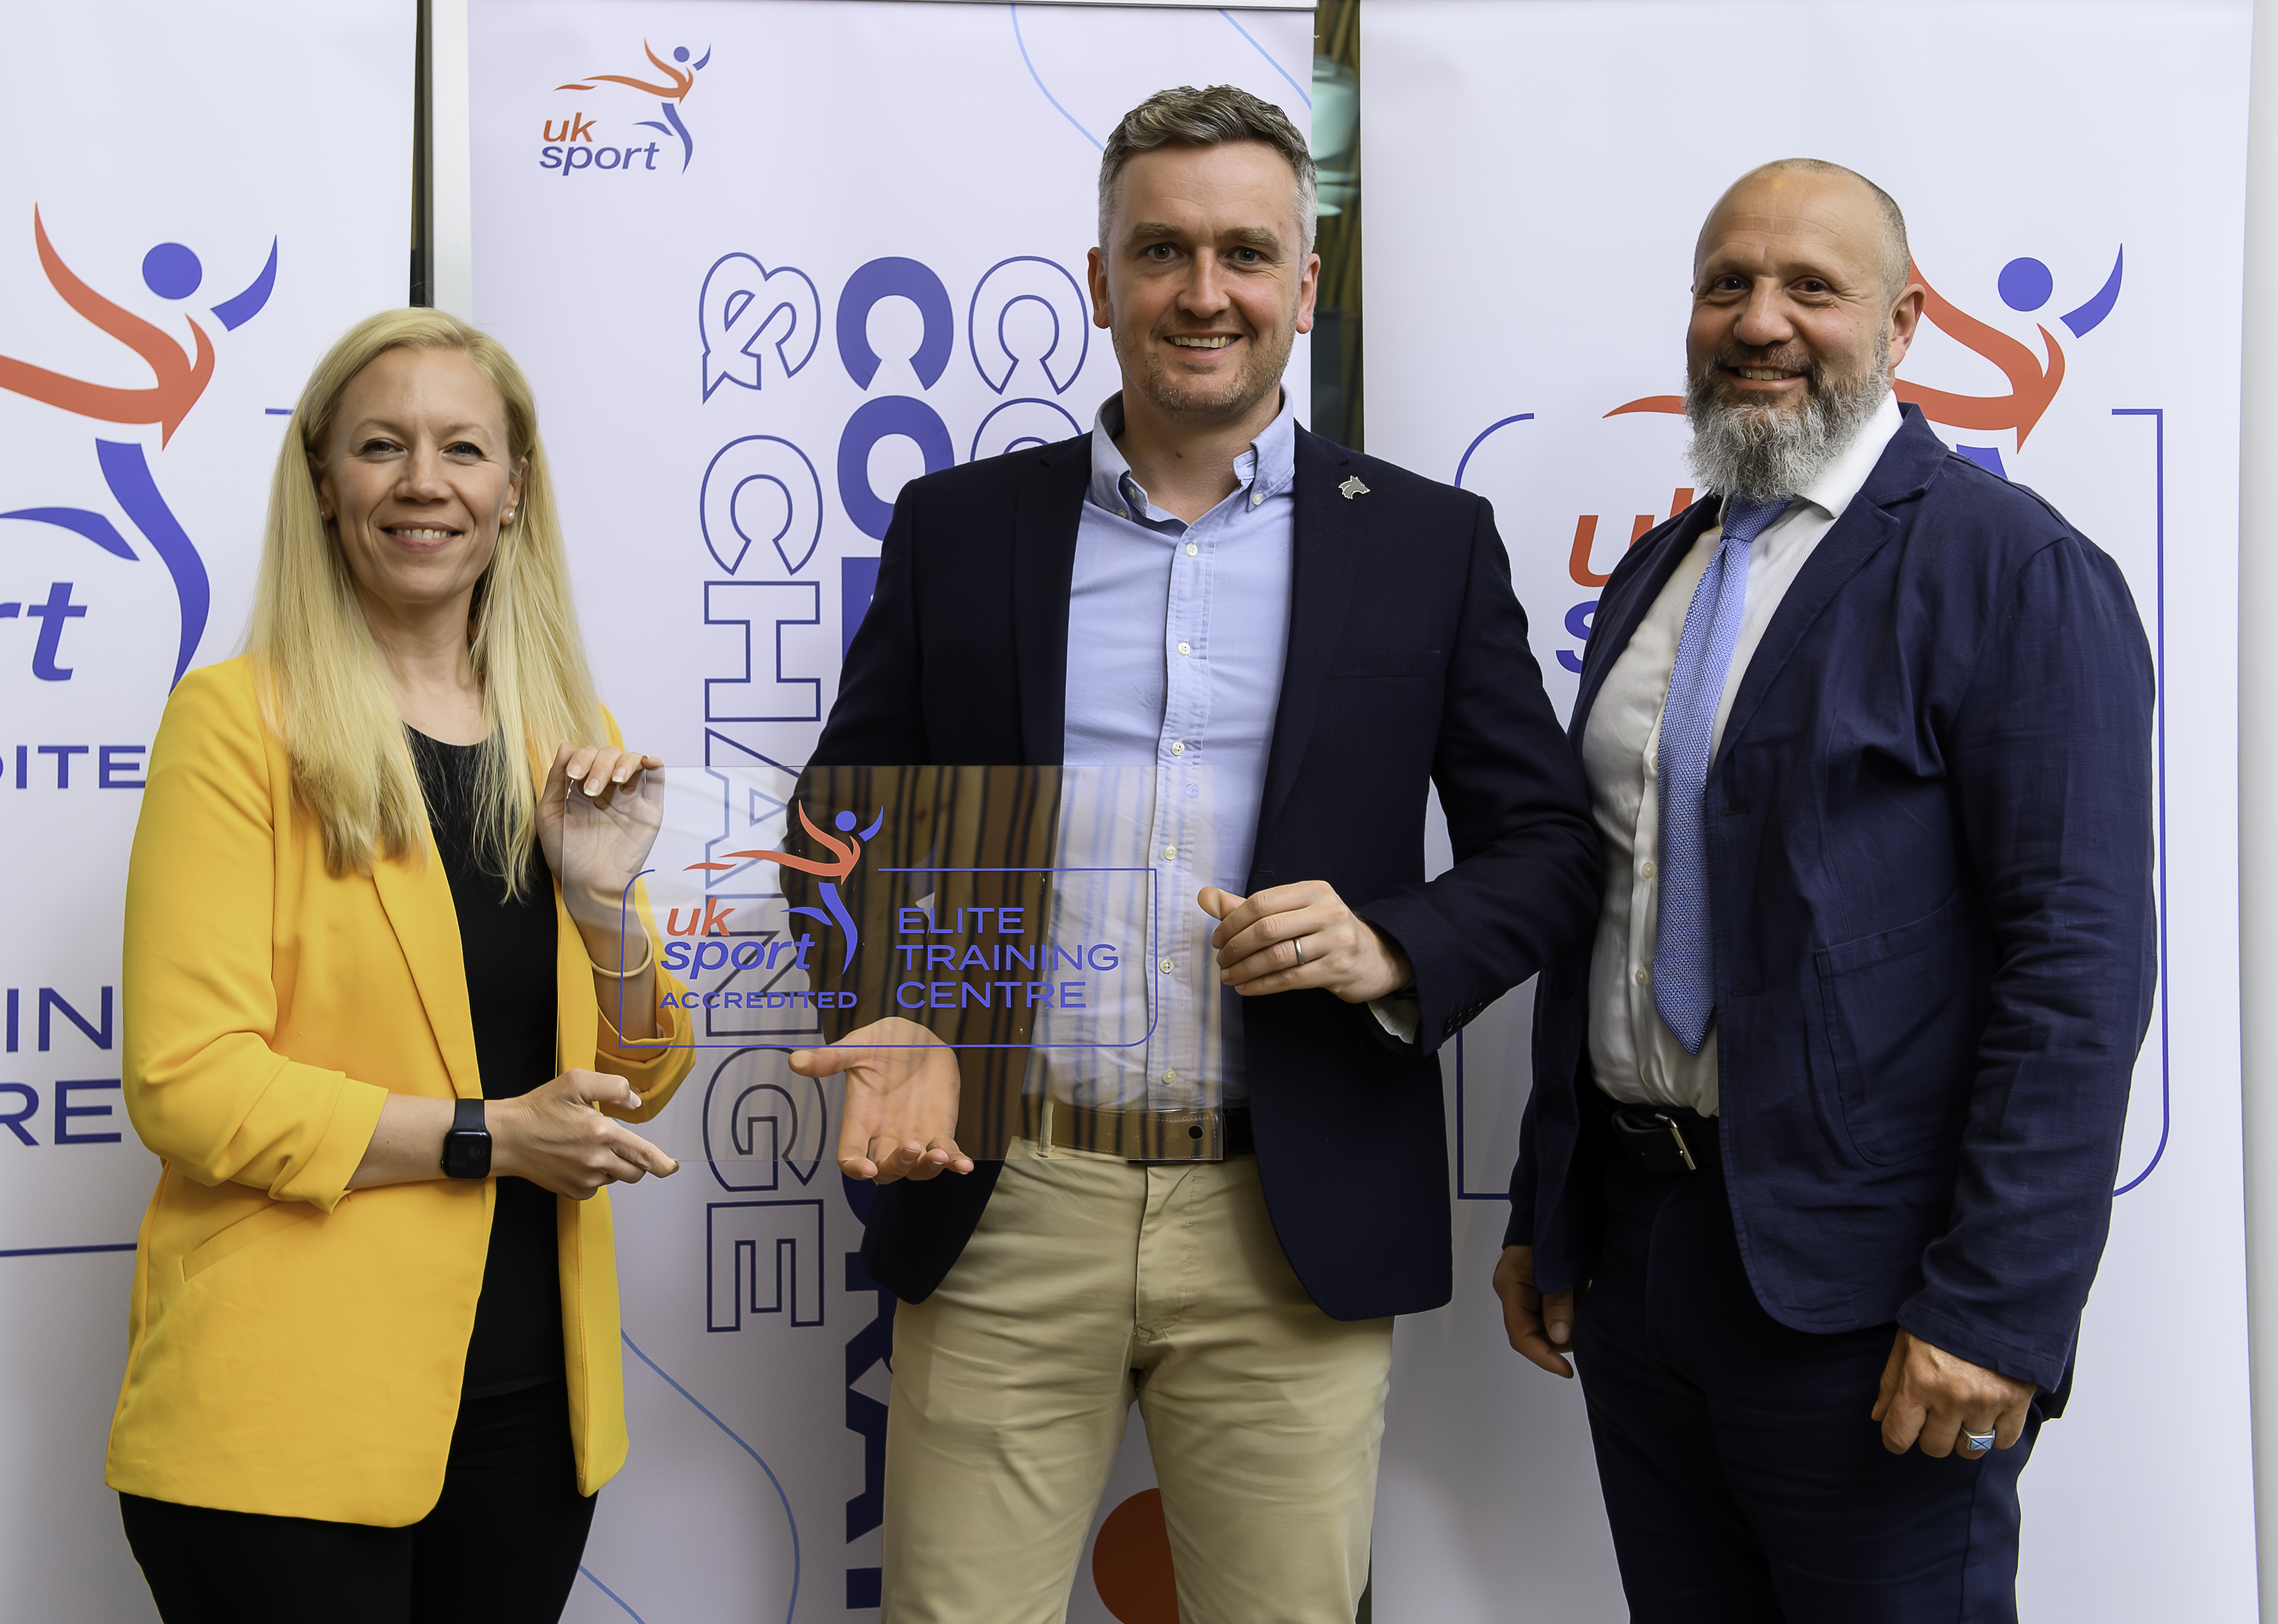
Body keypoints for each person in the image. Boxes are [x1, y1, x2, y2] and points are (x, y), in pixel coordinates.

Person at [795, 84, 1600, 1623]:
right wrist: (884, 1007)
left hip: (1289, 1218)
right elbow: (843, 819)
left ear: (1306, 284)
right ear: (1100, 280)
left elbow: (1553, 848)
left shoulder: (1426, 543)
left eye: (1246, 252)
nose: (1203, 290)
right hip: (1007, 1193)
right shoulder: (960, 527)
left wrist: (1393, 946)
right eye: (1160, 250)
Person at [1494, 159, 2157, 1621]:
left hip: (1874, 1301)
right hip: (1642, 1266)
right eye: (1726, 285)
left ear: (1904, 323)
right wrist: (1554, 1203)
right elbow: (1613, 902)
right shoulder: (1660, 573)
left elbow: (2077, 962)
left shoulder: (2013, 571)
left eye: (1812, 288)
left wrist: (1994, 1307)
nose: (1760, 321)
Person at [105, 310, 694, 1624]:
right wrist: (492, 1135)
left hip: (530, 1418)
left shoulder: (568, 732)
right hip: (284, 1416)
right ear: (325, 482)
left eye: (462, 449)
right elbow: (187, 1084)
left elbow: (639, 1082)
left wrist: (605, 906)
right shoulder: (235, 725)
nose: (425, 482)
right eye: (382, 446)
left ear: (514, 488)